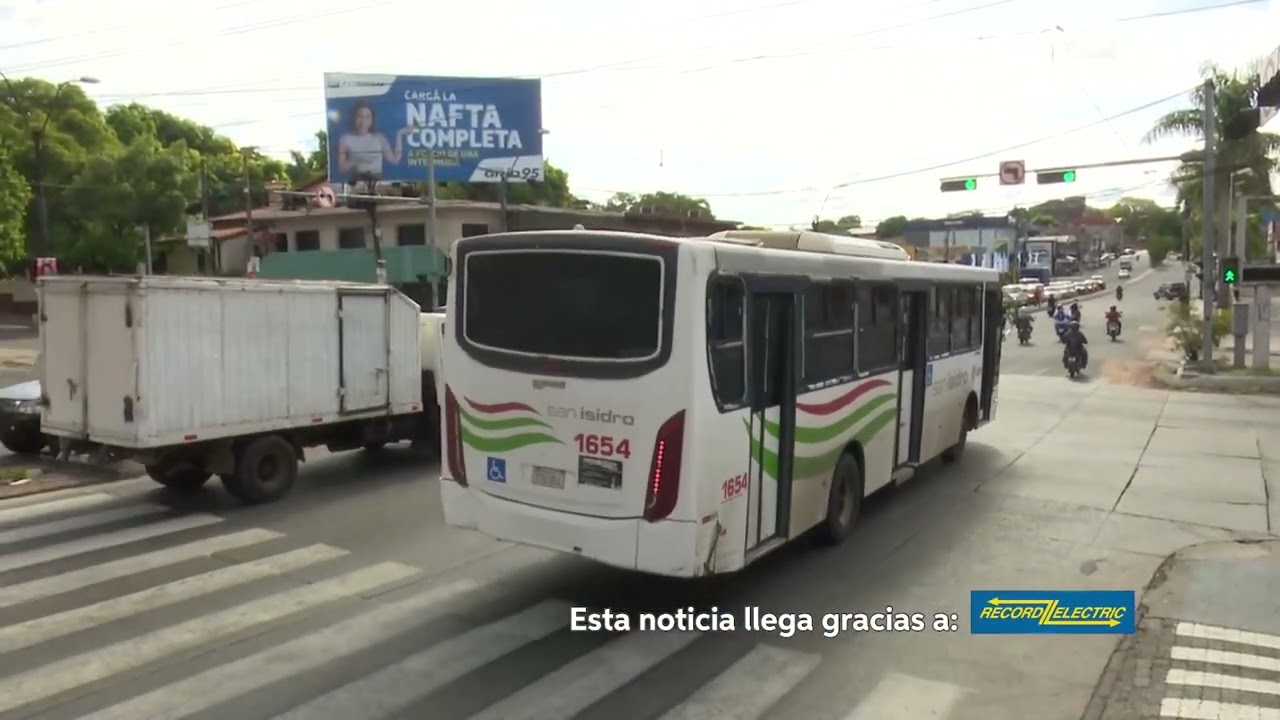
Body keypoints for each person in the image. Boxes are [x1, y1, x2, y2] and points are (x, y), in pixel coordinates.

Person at [335, 101, 412, 178]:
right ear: (354, 118)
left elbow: (395, 160)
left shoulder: (379, 138)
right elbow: (341, 168)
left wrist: (399, 134)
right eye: (360, 117)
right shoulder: (345, 139)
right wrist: (357, 160)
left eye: (367, 117)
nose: (363, 121)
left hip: (377, 178)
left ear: (372, 120)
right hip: (358, 180)